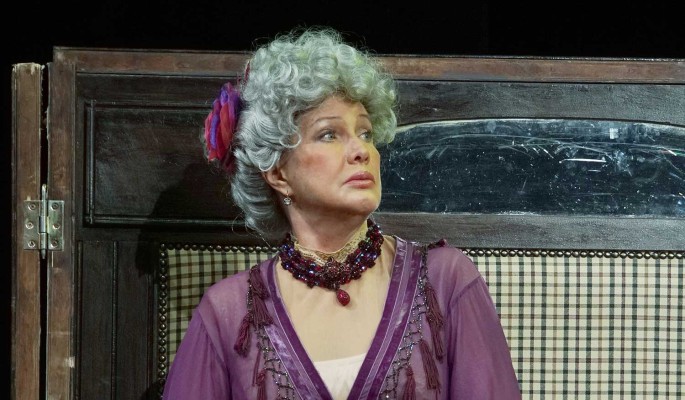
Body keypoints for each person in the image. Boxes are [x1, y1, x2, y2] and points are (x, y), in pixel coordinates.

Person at [162, 27, 521, 399]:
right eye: (329, 134)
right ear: (278, 173)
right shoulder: (228, 312)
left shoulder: (445, 281)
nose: (361, 151)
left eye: (365, 133)